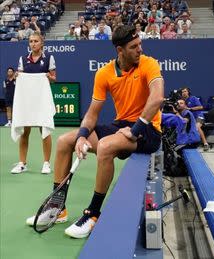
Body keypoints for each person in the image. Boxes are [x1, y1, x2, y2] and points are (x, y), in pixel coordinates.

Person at [25, 25, 164, 239]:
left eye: (140, 45)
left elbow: (156, 98)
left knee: (106, 146)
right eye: (134, 47)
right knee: (64, 141)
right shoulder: (105, 73)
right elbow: (92, 113)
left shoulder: (149, 64)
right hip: (120, 125)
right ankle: (57, 207)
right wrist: (81, 136)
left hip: (148, 129)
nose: (140, 50)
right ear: (120, 50)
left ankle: (93, 214)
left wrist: (136, 130)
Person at [11, 32, 56, 174]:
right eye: (31, 41)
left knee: (44, 130)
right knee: (25, 131)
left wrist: (49, 77)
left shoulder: (49, 58)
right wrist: (17, 75)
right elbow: (18, 76)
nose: (33, 43)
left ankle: (46, 163)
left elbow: (54, 78)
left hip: (41, 100)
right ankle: (22, 163)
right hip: (27, 101)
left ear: (41, 43)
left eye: (36, 41)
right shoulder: (23, 59)